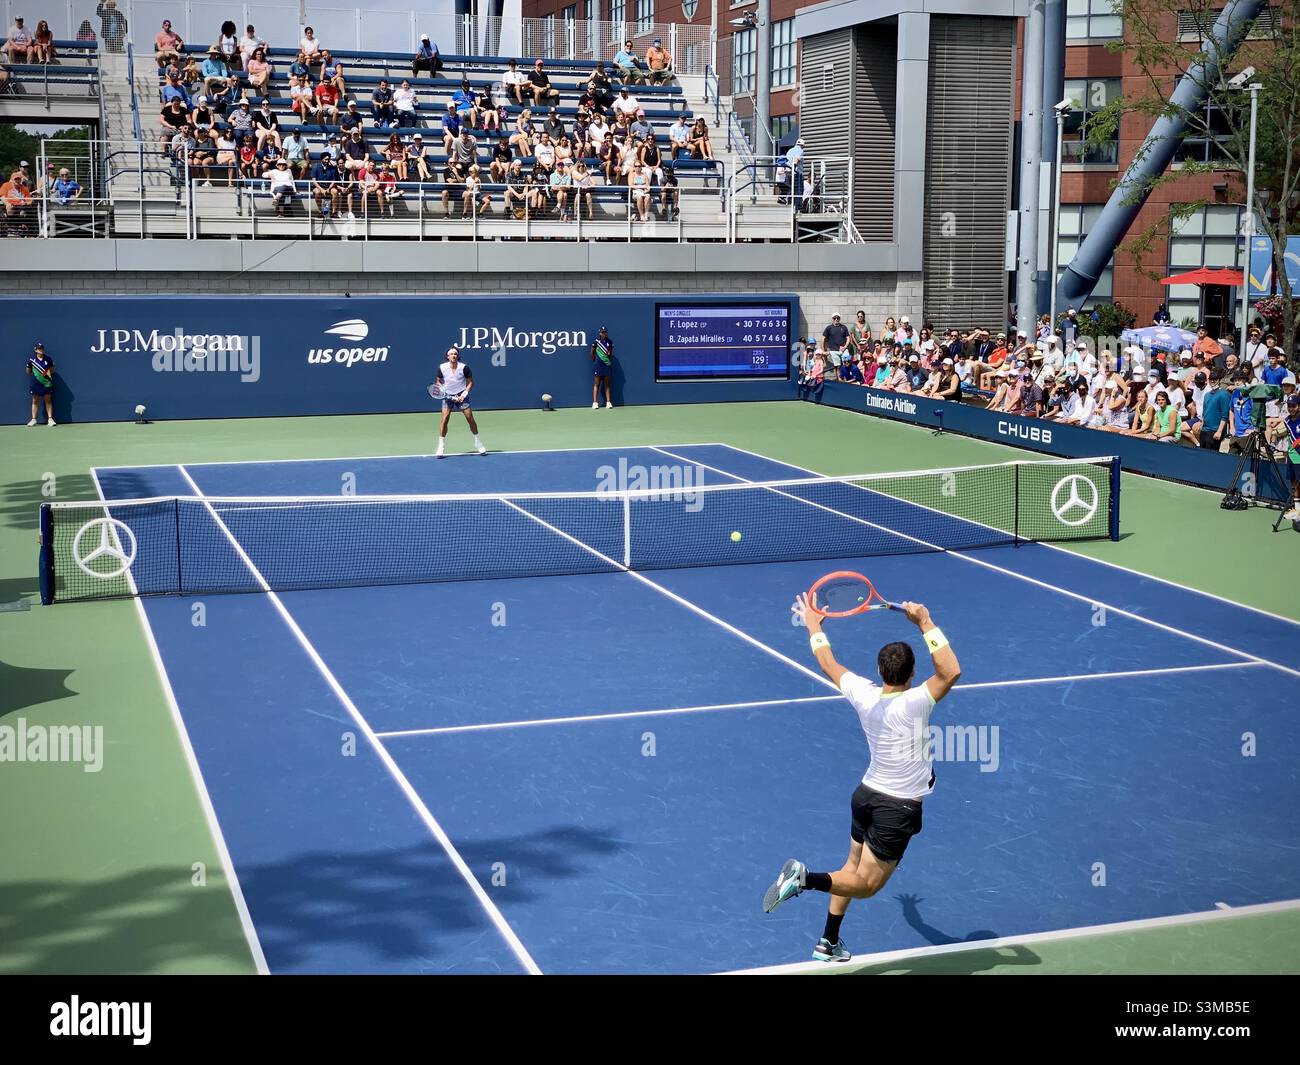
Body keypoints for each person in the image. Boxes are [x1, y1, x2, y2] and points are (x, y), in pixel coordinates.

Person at [764, 596, 960, 963]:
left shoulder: (863, 693)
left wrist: (813, 624)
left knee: (851, 870)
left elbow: (828, 663)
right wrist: (925, 621)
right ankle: (805, 879)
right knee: (866, 886)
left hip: (865, 796)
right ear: (912, 673)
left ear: (882, 672)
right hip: (895, 808)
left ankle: (828, 941)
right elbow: (950, 671)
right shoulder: (918, 701)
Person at [434, 347, 486, 458]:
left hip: (461, 394)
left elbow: (471, 382)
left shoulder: (464, 368)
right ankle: (441, 445)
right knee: (445, 419)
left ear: (457, 356)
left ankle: (478, 441)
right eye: (451, 354)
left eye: (455, 354)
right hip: (447, 395)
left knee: (470, 418)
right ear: (447, 356)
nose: (453, 355)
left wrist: (464, 394)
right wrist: (443, 391)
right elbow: (438, 381)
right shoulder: (442, 368)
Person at [1271, 394, 1300, 520]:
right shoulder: (1287, 421)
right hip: (1292, 456)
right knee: (1294, 483)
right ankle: (1297, 509)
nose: (1291, 408)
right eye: (1289, 406)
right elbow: (1277, 431)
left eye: (1294, 406)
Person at [26, 341, 55, 426]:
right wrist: (38, 376)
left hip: (47, 384)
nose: (41, 350)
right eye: (39, 349)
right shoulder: (31, 360)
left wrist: (46, 377)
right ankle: (34, 419)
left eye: (42, 348)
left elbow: (52, 370)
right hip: (36, 384)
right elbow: (28, 371)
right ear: (35, 350)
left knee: (48, 400)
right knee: (35, 400)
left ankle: (50, 419)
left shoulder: (48, 359)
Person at [591, 325, 615, 408]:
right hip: (598, 365)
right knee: (596, 384)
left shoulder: (610, 342)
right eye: (602, 332)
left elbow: (610, 353)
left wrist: (608, 356)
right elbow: (592, 353)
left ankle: (608, 402)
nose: (604, 333)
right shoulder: (596, 342)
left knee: (607, 385)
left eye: (605, 332)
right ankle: (595, 403)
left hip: (606, 365)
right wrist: (596, 361)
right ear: (600, 333)